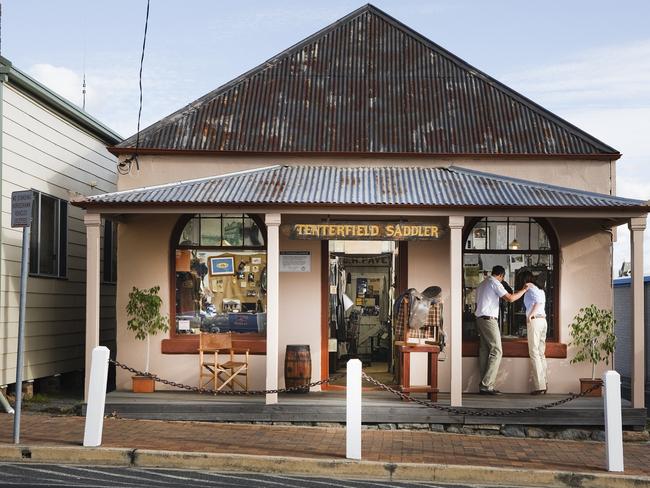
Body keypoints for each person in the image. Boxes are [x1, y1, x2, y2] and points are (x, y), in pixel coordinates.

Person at [474, 265, 529, 395]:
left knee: (484, 350)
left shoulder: (482, 283)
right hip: (489, 319)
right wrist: (524, 290)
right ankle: (486, 385)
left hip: (479, 318)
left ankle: (484, 384)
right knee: (497, 350)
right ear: (501, 275)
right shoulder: (494, 282)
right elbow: (510, 298)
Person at [520, 271, 548, 395]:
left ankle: (539, 386)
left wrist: (530, 315)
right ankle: (544, 383)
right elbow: (540, 302)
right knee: (541, 353)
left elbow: (538, 302)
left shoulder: (529, 286)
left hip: (536, 321)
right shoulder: (540, 289)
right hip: (543, 321)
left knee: (534, 352)